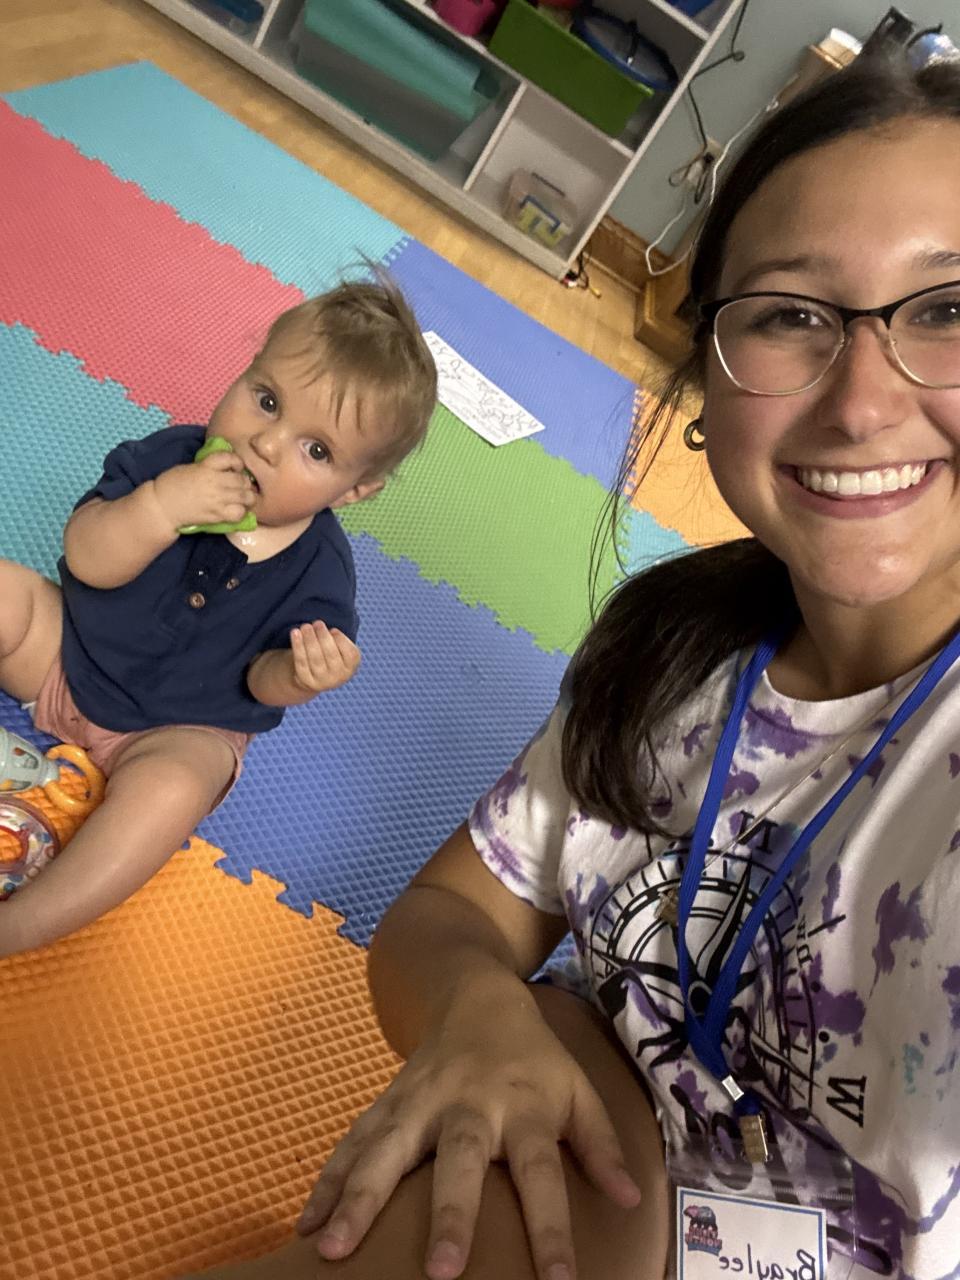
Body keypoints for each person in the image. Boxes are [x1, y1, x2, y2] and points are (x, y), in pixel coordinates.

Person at [182, 56, 960, 1280]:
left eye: (947, 309)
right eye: (790, 314)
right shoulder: (668, 657)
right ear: (703, 376)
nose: (862, 402)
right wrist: (479, 1012)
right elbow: (450, 914)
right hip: (610, 1149)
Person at [0, 277, 436, 959]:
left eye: (316, 450)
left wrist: (300, 674)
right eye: (267, 401)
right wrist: (161, 506)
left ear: (353, 490)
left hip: (167, 730)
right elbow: (86, 557)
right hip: (65, 656)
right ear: (245, 370)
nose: (267, 443)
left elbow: (259, 685)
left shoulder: (321, 571)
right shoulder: (170, 458)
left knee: (177, 788)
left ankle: (21, 926)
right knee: (6, 590)